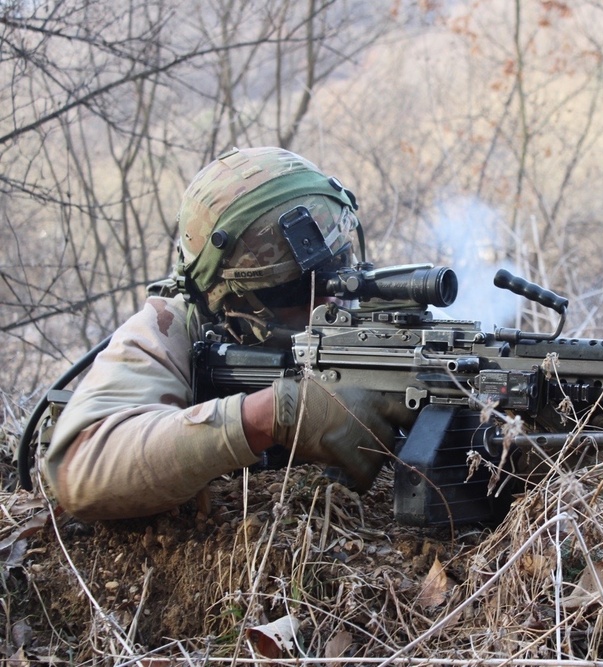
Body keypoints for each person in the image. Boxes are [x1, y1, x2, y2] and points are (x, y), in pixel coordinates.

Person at [42, 147, 415, 521]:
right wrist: (272, 414)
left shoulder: (374, 321)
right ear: (223, 296)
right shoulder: (172, 328)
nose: (330, 297)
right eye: (294, 289)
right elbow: (81, 471)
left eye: (339, 265)